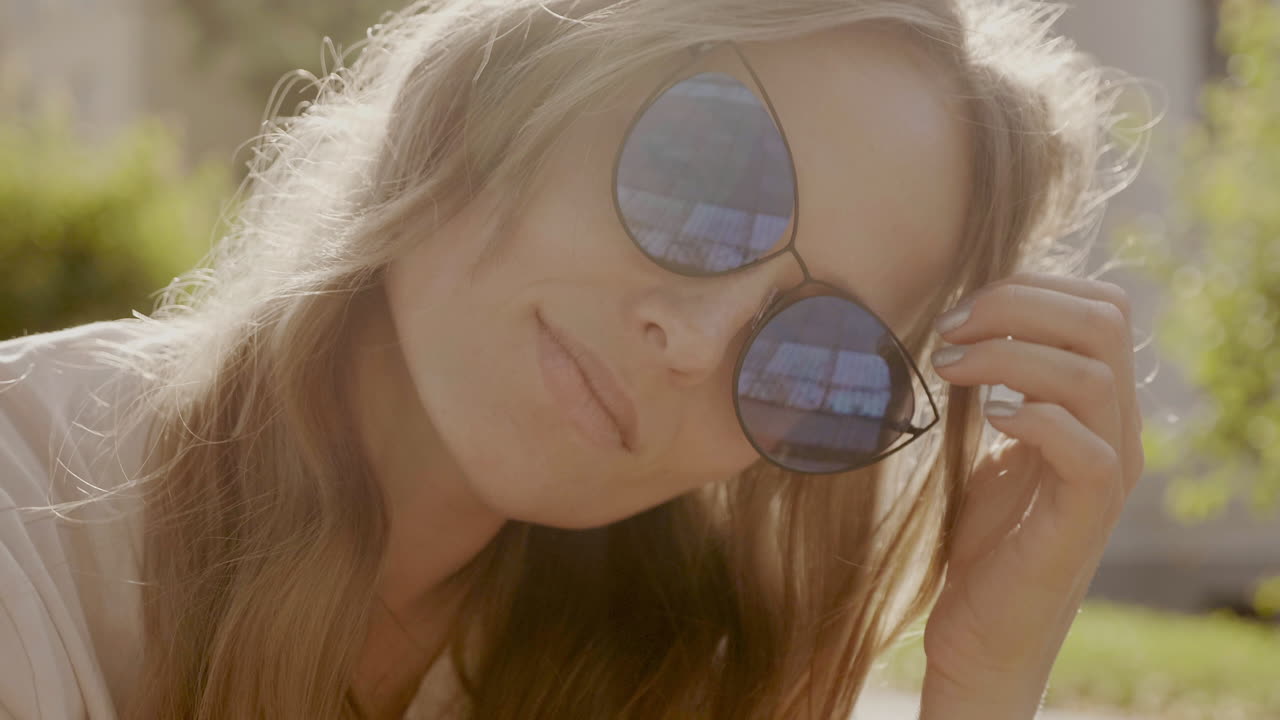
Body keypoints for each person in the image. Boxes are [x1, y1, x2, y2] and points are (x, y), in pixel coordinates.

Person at [0, 0, 1149, 718]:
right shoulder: (28, 525)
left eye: (816, 352)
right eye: (706, 181)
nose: (695, 345)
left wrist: (982, 689)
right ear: (524, 84)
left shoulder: (655, 677)